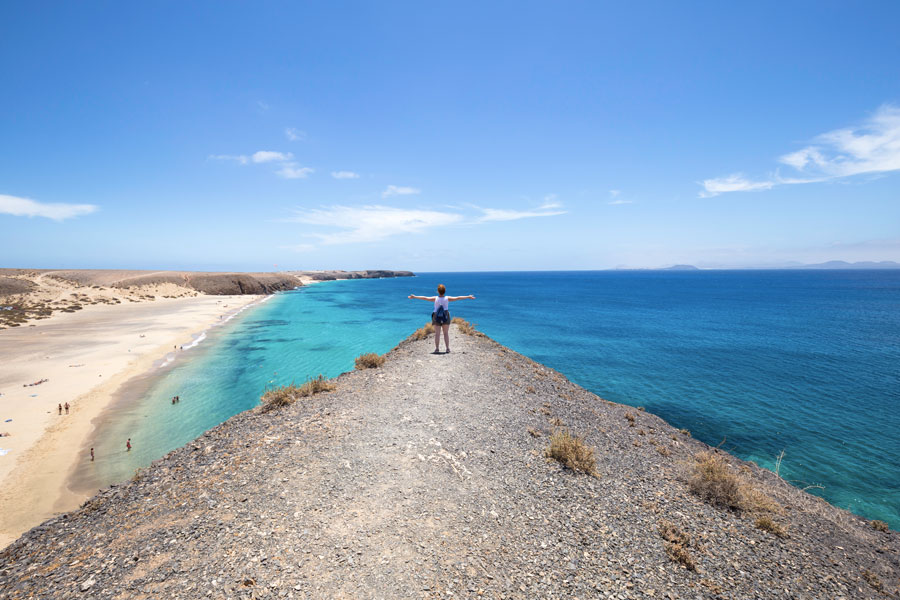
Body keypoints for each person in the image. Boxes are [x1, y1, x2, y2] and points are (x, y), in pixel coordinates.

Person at [408, 284, 475, 353]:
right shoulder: (447, 298)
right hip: (445, 316)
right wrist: (468, 296)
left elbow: (425, 298)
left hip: (436, 316)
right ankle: (447, 349)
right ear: (444, 291)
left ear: (438, 291)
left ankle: (437, 349)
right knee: (446, 333)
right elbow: (458, 297)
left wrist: (414, 296)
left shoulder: (435, 298)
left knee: (437, 334)